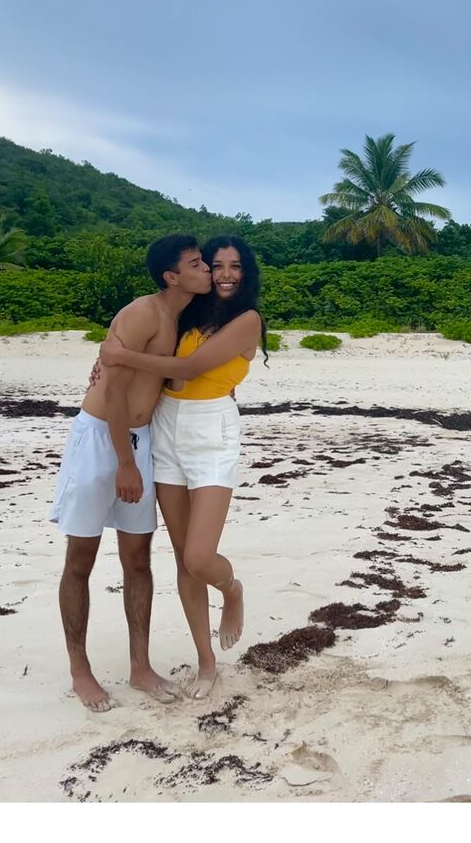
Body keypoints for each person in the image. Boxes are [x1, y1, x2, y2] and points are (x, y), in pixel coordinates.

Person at [50, 234, 212, 711]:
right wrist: (123, 461)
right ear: (171, 276)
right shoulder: (142, 313)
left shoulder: (182, 319)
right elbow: (115, 391)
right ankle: (81, 670)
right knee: (81, 558)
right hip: (101, 439)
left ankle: (139, 666)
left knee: (138, 559)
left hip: (140, 442)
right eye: (197, 263)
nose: (206, 270)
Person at [99, 235, 266, 698]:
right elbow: (157, 359)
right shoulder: (190, 312)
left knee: (199, 556)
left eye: (236, 266)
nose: (226, 275)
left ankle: (231, 589)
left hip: (212, 431)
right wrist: (108, 365)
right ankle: (206, 662)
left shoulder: (247, 320)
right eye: (217, 266)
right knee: (182, 561)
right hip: (166, 426)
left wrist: (116, 355)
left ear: (247, 272)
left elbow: (189, 368)